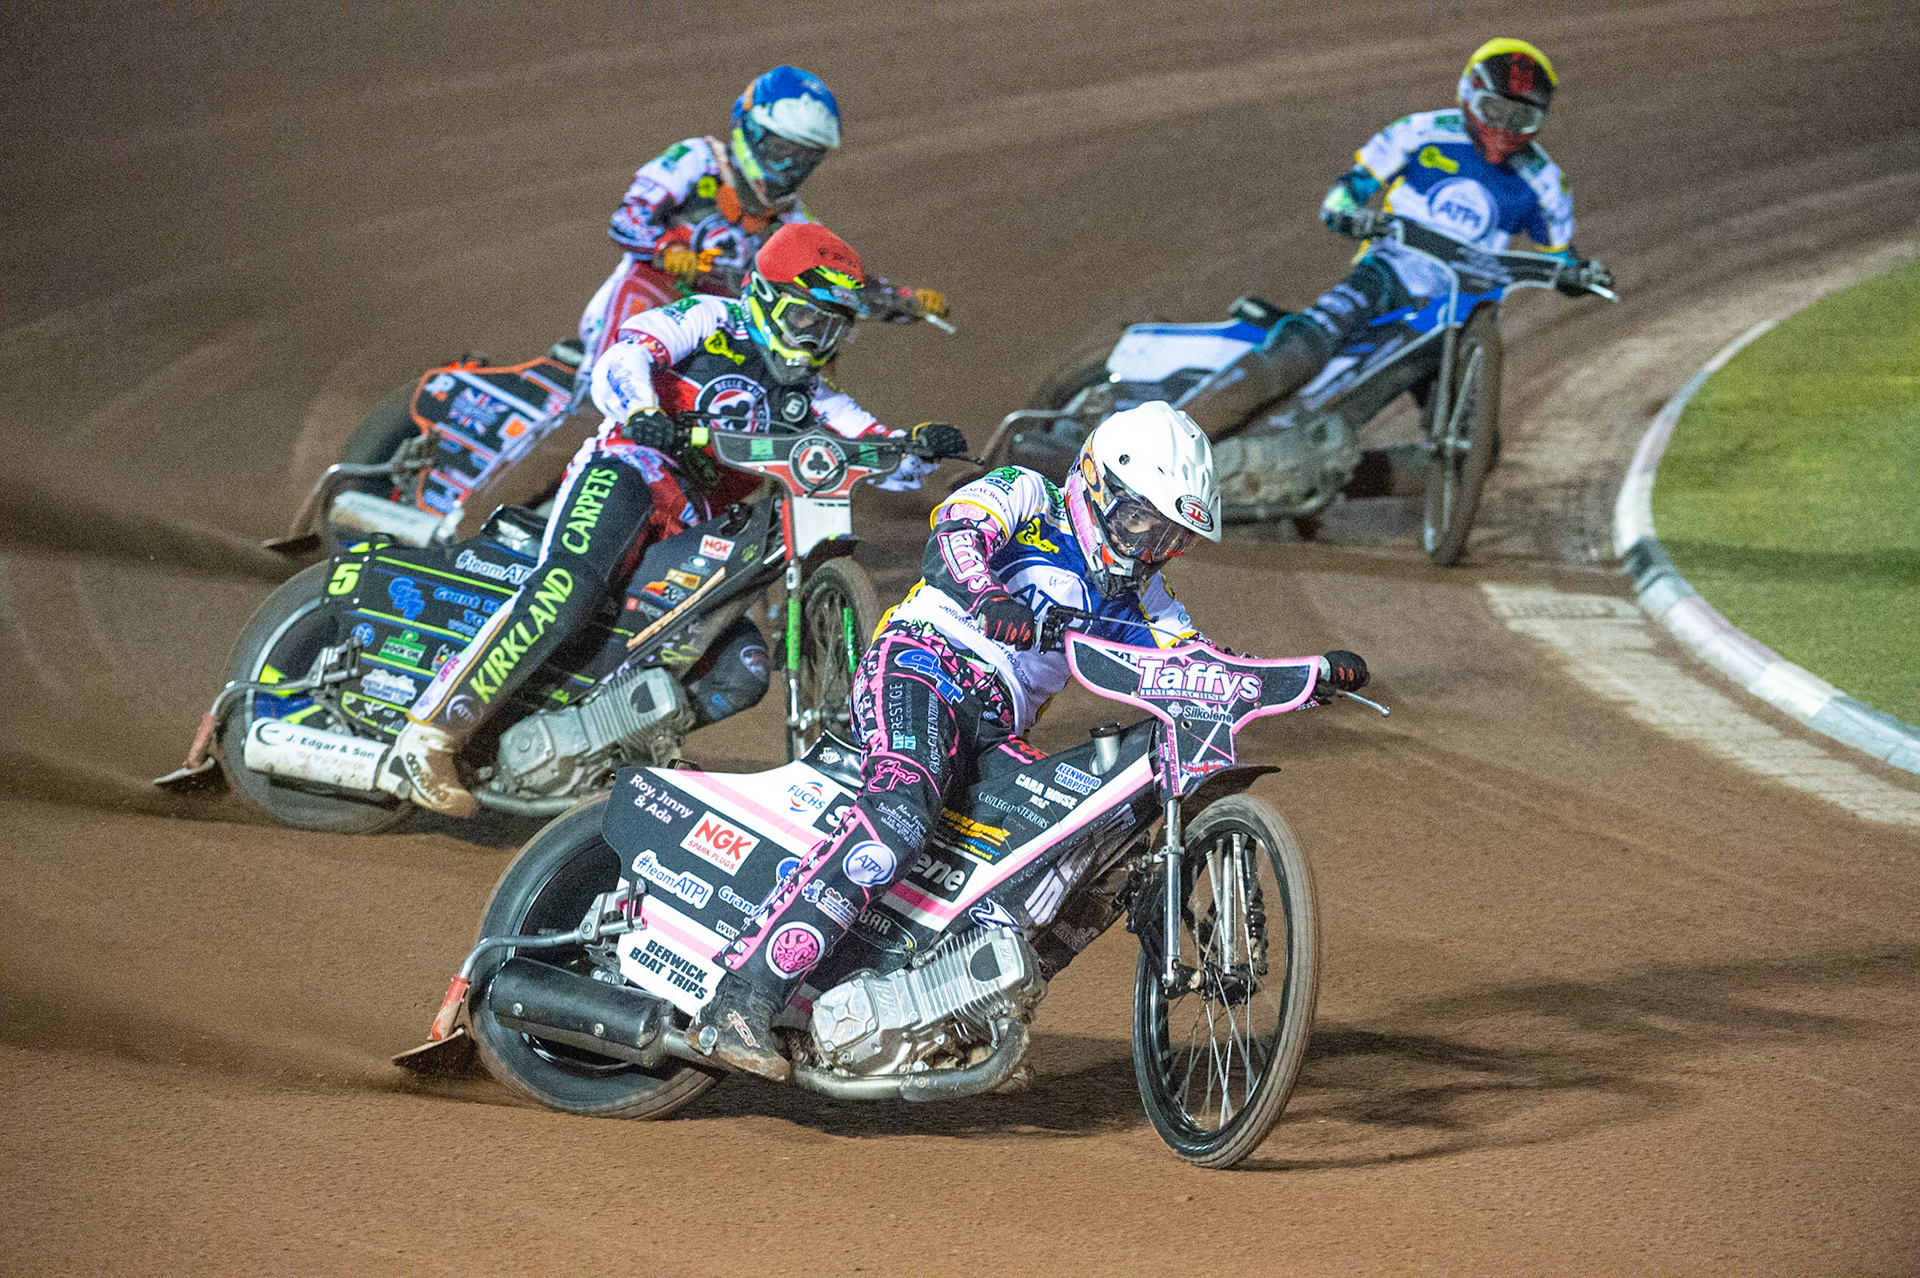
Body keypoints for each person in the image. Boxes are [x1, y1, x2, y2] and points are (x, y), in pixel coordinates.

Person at [695, 401, 1365, 1080]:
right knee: (899, 813)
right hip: (922, 664)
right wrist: (988, 597)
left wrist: (1308, 676)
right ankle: (743, 997)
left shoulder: (1148, 599)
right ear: (1098, 486)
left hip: (997, 725)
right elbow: (956, 529)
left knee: (1070, 844)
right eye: (1138, 522)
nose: (1145, 549)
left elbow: (1201, 666)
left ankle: (958, 1008)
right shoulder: (1028, 494)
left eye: (1166, 539)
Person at [393, 222, 969, 815]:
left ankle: (599, 751)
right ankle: (433, 732)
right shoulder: (712, 318)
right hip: (630, 469)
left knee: (742, 668)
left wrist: (915, 447)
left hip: (696, 522)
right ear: (768, 297)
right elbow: (625, 356)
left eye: (830, 329)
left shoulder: (809, 393)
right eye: (805, 320)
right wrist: (643, 410)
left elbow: (867, 444)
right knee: (566, 591)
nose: (814, 341)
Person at [1175, 37, 1612, 437]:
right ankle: (1182, 426)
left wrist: (1578, 273)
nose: (1503, 128)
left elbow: (1559, 256)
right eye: (1495, 111)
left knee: (1474, 442)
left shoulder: (1545, 181)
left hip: (1463, 309)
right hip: (1391, 270)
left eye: (1521, 118)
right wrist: (1347, 213)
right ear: (1469, 94)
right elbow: (1353, 186)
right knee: (1308, 346)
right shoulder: (1421, 132)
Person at [575, 64, 947, 386]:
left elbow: (832, 282)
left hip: (714, 326)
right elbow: (627, 218)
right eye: (784, 152)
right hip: (655, 299)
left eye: (804, 159)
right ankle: (599, 396)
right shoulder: (698, 159)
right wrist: (667, 249)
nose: (789, 169)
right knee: (644, 288)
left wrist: (904, 301)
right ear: (752, 131)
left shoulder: (790, 218)